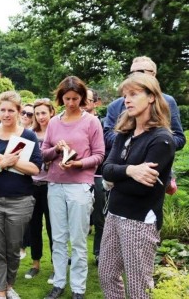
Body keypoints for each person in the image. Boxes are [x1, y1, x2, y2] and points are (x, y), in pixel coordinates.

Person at [99, 73, 175, 298]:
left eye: (133, 94)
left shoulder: (161, 140)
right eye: (125, 95)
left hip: (140, 221)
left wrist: (114, 179)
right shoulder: (124, 134)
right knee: (106, 275)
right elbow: (106, 169)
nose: (127, 100)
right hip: (114, 214)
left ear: (151, 97)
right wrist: (131, 171)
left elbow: (141, 189)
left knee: (138, 287)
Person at [41, 76, 105, 299]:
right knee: (58, 238)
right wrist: (56, 151)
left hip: (80, 185)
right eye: (66, 98)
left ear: (82, 98)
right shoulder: (54, 122)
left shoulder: (91, 122)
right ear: (60, 98)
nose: (70, 103)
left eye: (75, 98)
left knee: (78, 239)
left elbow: (99, 155)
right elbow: (43, 152)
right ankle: (59, 282)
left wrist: (79, 163)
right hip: (55, 184)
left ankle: (78, 287)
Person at [0, 91, 42, 299]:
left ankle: (9, 284)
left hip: (20, 201)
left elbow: (35, 169)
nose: (6, 114)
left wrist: (9, 160)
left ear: (19, 111)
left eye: (11, 110)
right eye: (2, 110)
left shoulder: (28, 136)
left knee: (13, 248)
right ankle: (0, 292)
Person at [104, 56, 186, 153]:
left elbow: (179, 138)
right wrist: (131, 144)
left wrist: (156, 144)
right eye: (131, 73)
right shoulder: (115, 105)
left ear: (153, 74)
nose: (135, 76)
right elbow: (107, 135)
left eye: (140, 72)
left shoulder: (167, 101)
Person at [23, 98, 55, 283]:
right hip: (32, 185)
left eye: (44, 113)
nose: (41, 117)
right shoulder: (29, 134)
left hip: (51, 186)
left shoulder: (57, 132)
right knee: (34, 226)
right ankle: (35, 264)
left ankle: (55, 265)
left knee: (54, 228)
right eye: (37, 113)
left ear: (51, 112)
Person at [83, 89, 106, 265]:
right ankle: (78, 254)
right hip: (79, 176)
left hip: (99, 175)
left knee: (99, 217)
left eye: (87, 99)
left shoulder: (105, 124)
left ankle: (99, 252)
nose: (83, 103)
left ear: (95, 103)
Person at [18, 103, 34, 260]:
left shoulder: (31, 134)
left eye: (30, 114)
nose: (25, 116)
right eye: (23, 112)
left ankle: (23, 246)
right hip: (15, 178)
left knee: (29, 218)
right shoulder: (11, 130)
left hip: (31, 177)